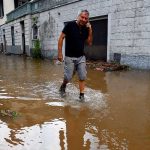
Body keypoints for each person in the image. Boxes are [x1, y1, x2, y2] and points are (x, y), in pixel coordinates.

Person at [58, 9, 93, 101]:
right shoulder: (70, 25)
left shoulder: (86, 28)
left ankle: (81, 96)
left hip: (81, 57)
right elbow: (61, 38)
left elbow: (89, 42)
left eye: (86, 18)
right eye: (82, 17)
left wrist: (90, 29)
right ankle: (63, 85)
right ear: (78, 16)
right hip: (69, 57)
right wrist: (60, 53)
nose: (84, 20)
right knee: (68, 77)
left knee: (82, 76)